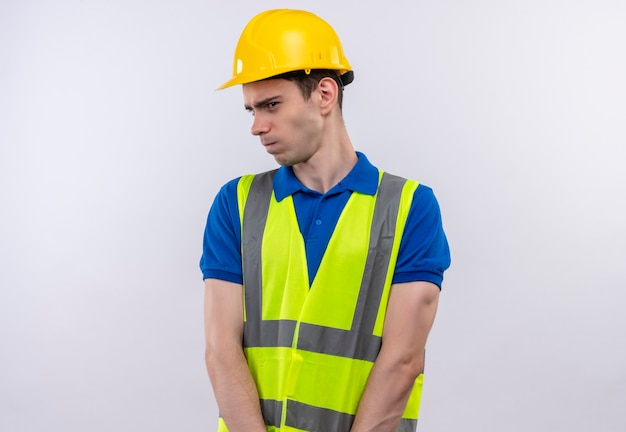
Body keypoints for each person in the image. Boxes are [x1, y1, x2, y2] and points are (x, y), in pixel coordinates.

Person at [200, 9, 451, 432]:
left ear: (324, 95)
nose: (258, 126)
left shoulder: (410, 207)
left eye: (271, 105)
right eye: (251, 110)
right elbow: (221, 349)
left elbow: (403, 360)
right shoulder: (236, 204)